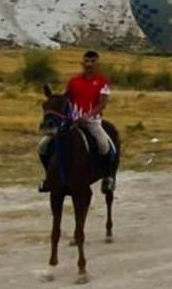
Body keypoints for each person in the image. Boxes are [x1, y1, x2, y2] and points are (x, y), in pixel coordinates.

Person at [38, 50, 116, 193]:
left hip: (92, 121)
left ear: (97, 64)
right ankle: (49, 178)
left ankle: (107, 177)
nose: (89, 65)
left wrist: (88, 116)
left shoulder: (103, 82)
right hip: (72, 120)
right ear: (82, 63)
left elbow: (102, 104)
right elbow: (67, 100)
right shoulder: (74, 81)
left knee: (105, 145)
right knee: (43, 145)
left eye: (92, 62)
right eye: (86, 61)